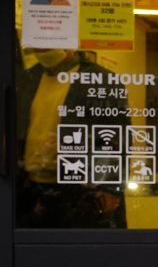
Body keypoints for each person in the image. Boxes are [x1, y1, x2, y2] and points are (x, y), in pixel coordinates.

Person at [16, 48, 128, 228]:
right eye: (38, 43)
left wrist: (109, 188)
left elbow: (117, 136)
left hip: (80, 189)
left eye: (49, 43)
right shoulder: (28, 78)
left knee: (82, 252)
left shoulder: (101, 80)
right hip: (31, 187)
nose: (42, 48)